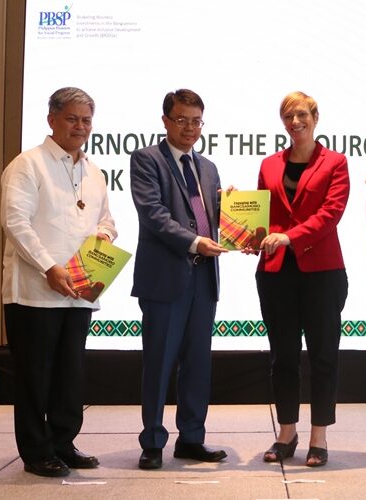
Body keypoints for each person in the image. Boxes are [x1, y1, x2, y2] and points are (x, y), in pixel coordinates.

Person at [1, 87, 117, 477]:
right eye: (72, 118)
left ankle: (64, 443)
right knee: (35, 377)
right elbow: (15, 222)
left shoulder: (95, 171)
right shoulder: (27, 164)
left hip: (81, 291)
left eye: (86, 120)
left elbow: (106, 220)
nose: (80, 127)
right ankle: (36, 452)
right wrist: (49, 266)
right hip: (34, 293)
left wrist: (105, 235)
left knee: (70, 374)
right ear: (52, 119)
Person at [130, 89, 228, 470]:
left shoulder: (208, 167)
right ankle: (152, 441)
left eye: (196, 121)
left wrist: (236, 215)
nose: (190, 128)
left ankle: (191, 438)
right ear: (166, 121)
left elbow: (215, 215)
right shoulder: (146, 160)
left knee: (197, 364)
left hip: (204, 279)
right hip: (165, 278)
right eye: (182, 119)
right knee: (159, 362)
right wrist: (194, 242)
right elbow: (152, 214)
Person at [253, 92, 350, 467]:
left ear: (315, 117)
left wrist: (290, 237)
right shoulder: (269, 165)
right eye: (288, 116)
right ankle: (287, 432)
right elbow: (261, 216)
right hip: (276, 272)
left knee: (324, 355)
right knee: (283, 357)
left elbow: (330, 214)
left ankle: (320, 436)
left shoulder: (336, 163)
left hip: (322, 273)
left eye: (301, 114)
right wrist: (240, 224)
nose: (295, 122)